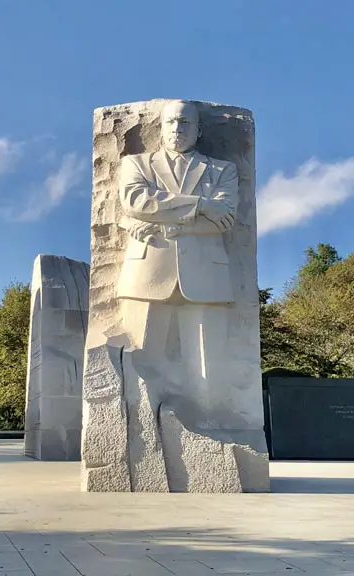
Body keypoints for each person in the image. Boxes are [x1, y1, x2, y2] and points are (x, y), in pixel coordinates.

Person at [115, 100, 239, 417]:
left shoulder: (223, 170)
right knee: (140, 357)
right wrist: (201, 205)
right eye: (171, 122)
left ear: (198, 130)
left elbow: (223, 220)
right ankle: (139, 425)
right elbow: (136, 202)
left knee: (207, 362)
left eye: (185, 122)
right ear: (160, 127)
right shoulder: (137, 164)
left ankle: (210, 427)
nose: (177, 129)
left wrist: (167, 219)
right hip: (148, 269)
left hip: (206, 276)